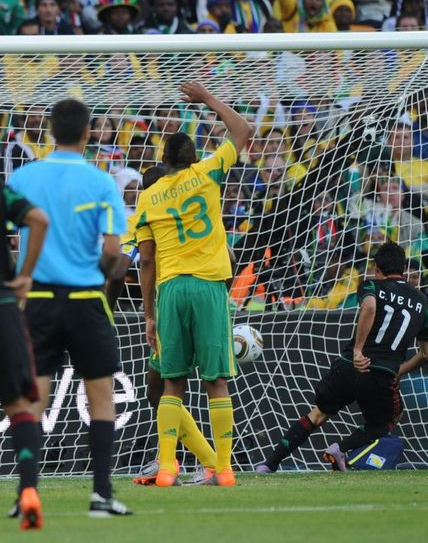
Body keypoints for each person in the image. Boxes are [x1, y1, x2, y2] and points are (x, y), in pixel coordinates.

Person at [8, 98, 132, 516]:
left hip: (37, 300)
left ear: (49, 131)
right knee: (101, 396)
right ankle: (101, 495)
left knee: (33, 398)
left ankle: (28, 491)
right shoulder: (101, 182)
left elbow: (13, 235)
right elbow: (113, 250)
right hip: (84, 298)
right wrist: (99, 272)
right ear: (88, 132)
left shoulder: (24, 176)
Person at [136, 81, 251, 487]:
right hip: (208, 286)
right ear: (194, 158)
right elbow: (243, 130)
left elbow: (146, 261)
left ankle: (167, 467)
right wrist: (206, 99)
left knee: (172, 382)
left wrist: (149, 315)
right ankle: (224, 470)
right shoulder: (208, 173)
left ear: (163, 162)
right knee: (216, 382)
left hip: (170, 290)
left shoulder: (148, 197)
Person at [256, 242, 428, 473]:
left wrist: (358, 351)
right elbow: (426, 354)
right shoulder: (422, 300)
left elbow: (369, 307)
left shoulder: (371, 285)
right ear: (403, 268)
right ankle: (341, 449)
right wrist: (400, 370)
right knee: (386, 423)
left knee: (317, 414)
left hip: (349, 365)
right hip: (381, 374)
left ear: (377, 267)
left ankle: (268, 464)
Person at [106, 165, 219, 486]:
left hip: (171, 306)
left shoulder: (143, 217)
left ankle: (202, 462)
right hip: (208, 300)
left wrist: (106, 313)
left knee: (163, 388)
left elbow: (120, 270)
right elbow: (231, 257)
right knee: (207, 384)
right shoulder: (196, 213)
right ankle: (175, 458)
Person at [0, 183, 48, 529]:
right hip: (4, 306)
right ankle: (29, 489)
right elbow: (39, 219)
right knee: (18, 405)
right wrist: (24, 276)